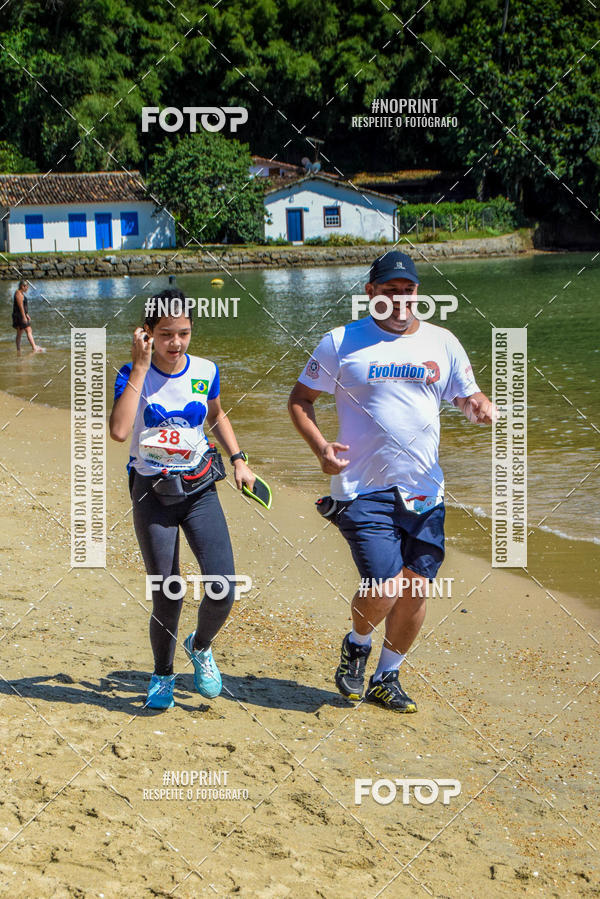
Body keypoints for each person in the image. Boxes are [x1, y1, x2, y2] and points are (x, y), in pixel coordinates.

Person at [288, 251, 497, 713]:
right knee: (384, 585)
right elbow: (301, 400)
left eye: (409, 291)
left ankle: (386, 676)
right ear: (371, 294)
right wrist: (321, 448)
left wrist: (478, 405)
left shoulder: (443, 342)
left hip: (424, 488)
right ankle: (356, 642)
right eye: (390, 292)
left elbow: (464, 393)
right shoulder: (341, 342)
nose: (401, 301)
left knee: (417, 586)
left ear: (418, 293)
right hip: (361, 488)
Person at [109, 288, 256, 710]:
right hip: (151, 492)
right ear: (148, 333)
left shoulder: (206, 369)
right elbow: (120, 432)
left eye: (185, 333)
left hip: (198, 489)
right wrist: (139, 368)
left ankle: (201, 645)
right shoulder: (131, 374)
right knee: (168, 591)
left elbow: (215, 412)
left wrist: (239, 459)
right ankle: (162, 674)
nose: (176, 343)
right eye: (167, 334)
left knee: (223, 585)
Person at [13, 281, 43, 353]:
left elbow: (23, 306)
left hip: (21, 315)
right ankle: (34, 347)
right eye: (27, 287)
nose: (27, 289)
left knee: (20, 332)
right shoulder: (18, 294)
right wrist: (24, 317)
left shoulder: (21, 293)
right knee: (29, 330)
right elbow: (20, 306)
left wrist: (26, 314)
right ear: (23, 286)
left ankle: (18, 349)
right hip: (19, 316)